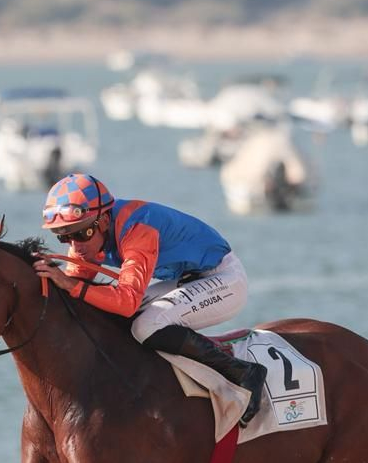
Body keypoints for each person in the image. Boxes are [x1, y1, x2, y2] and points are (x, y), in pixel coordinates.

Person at [32, 172, 268, 423]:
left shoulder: (137, 229)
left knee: (146, 326)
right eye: (64, 236)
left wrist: (69, 284)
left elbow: (125, 301)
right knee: (117, 320)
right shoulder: (90, 235)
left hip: (225, 280)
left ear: (102, 221)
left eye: (80, 234)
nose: (75, 245)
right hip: (190, 279)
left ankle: (244, 373)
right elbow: (76, 288)